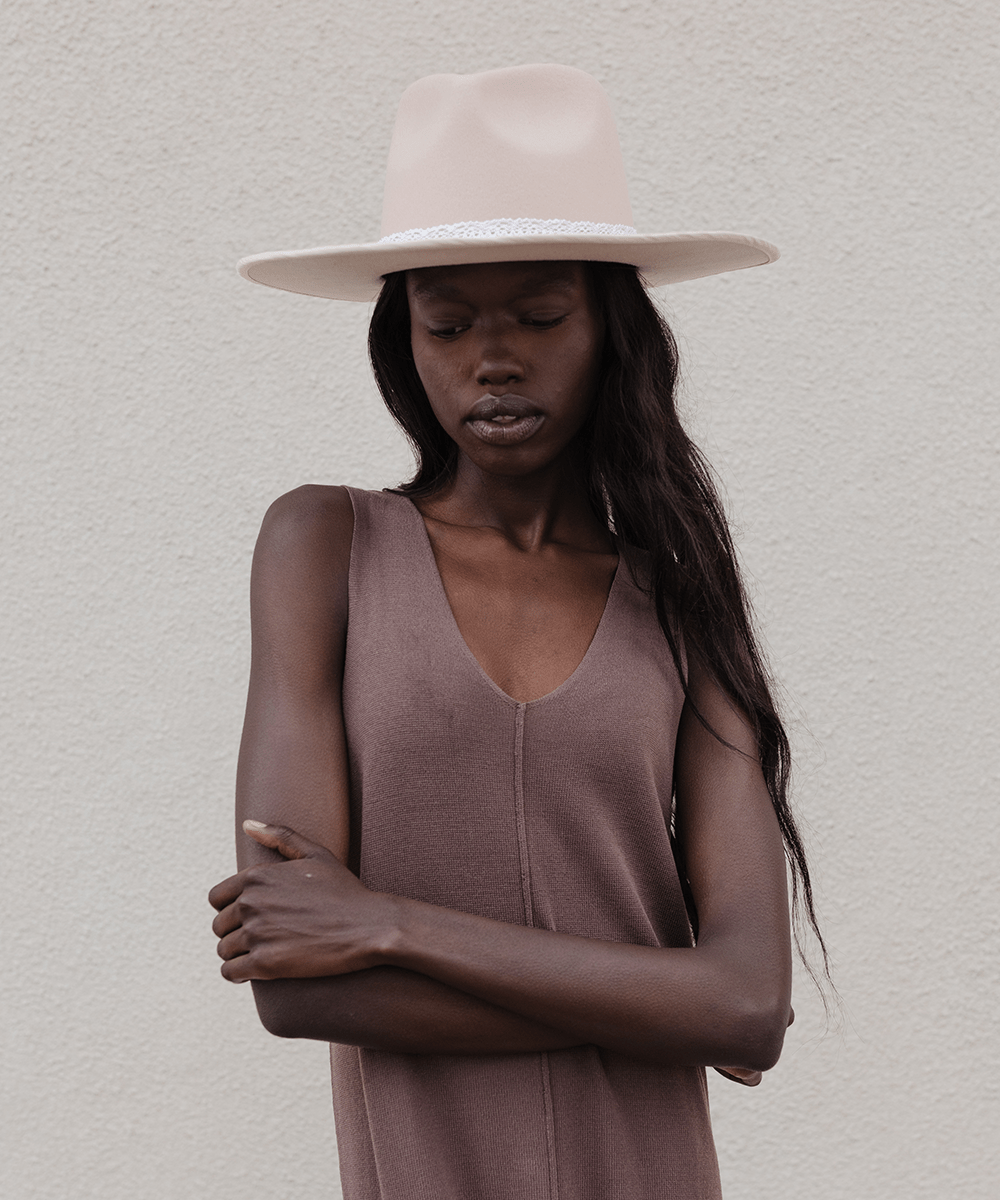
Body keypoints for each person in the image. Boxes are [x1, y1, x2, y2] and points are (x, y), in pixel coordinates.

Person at [208, 64, 824, 1200]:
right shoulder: (322, 548)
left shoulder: (682, 605)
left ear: (610, 328)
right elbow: (296, 981)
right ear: (405, 341)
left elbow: (746, 1006)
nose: (492, 359)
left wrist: (386, 924)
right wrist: (652, 1003)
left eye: (540, 315)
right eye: (447, 324)